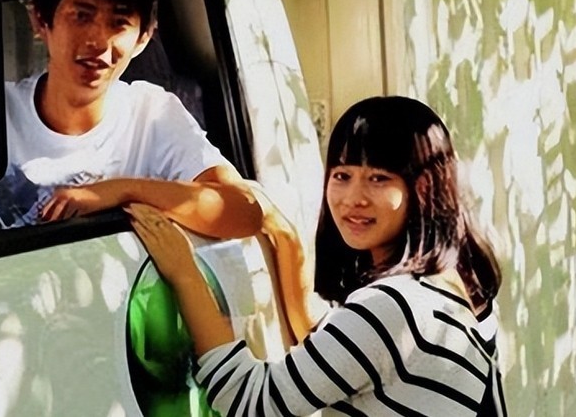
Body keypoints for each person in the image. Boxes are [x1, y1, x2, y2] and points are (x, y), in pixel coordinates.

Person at [129, 96, 506, 416]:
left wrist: (185, 274)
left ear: (422, 188)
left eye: (379, 178)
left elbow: (250, 403)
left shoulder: (392, 307)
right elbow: (331, 347)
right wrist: (283, 238)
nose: (353, 198)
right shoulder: (456, 289)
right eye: (342, 175)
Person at [0, 0, 262, 238]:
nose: (99, 43)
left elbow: (243, 211)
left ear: (143, 38)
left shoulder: (152, 114)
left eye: (119, 22)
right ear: (41, 21)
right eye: (82, 16)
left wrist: (123, 190)